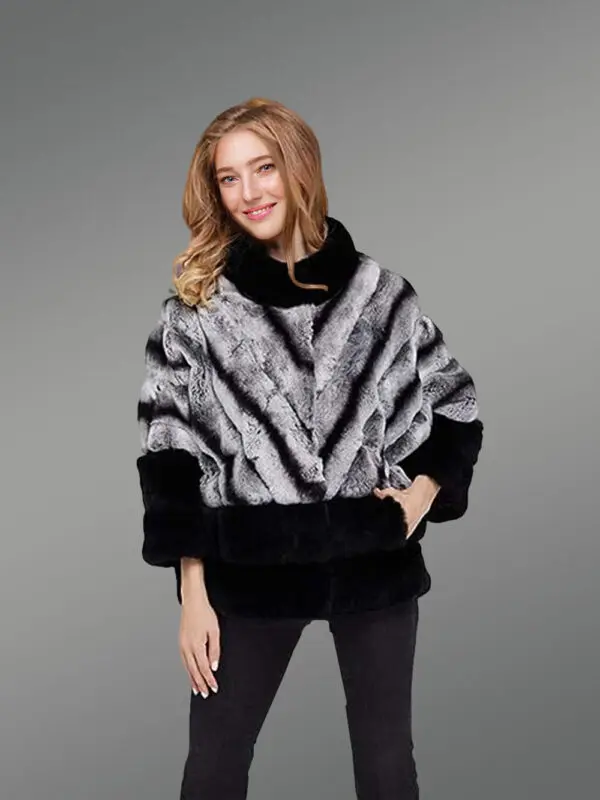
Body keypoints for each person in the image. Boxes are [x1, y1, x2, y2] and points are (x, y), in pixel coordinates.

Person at [136, 97, 484, 799]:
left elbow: (457, 405)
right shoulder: (197, 312)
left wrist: (421, 494)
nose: (249, 191)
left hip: (371, 558)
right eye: (229, 177)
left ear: (298, 168)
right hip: (251, 565)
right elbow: (170, 457)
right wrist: (192, 595)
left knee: (387, 767)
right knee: (214, 767)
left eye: (263, 167)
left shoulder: (381, 296)